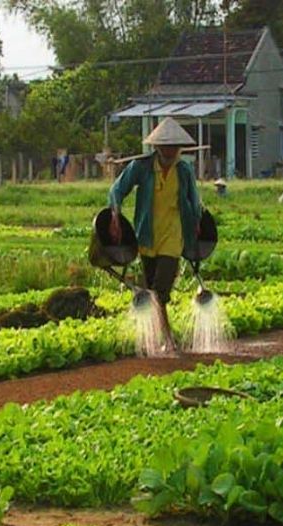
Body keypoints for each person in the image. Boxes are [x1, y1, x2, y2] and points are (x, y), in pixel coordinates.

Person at [107, 117, 202, 355]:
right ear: (157, 147)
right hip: (147, 237)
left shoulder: (184, 170)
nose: (170, 151)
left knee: (160, 291)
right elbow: (117, 189)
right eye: (165, 147)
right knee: (152, 292)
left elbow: (194, 199)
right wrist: (115, 213)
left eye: (174, 147)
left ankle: (167, 340)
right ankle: (160, 339)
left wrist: (198, 221)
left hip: (174, 235)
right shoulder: (141, 167)